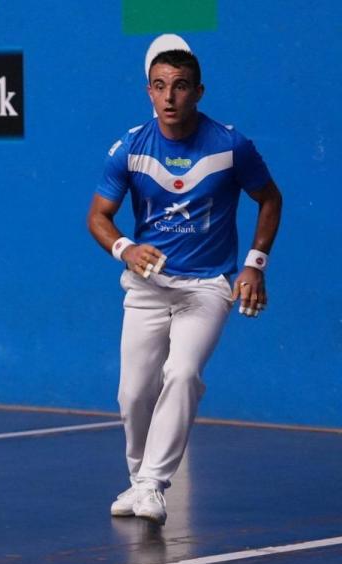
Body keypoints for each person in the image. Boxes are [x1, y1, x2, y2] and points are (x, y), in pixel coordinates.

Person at [87, 49, 282, 525]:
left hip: (208, 286)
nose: (169, 96)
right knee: (132, 393)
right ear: (148, 90)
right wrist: (126, 250)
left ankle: (153, 484)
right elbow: (98, 217)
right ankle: (139, 481)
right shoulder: (130, 149)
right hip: (147, 285)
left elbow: (269, 197)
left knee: (183, 372)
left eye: (179, 86)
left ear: (198, 91)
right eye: (159, 85)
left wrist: (254, 265)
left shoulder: (231, 146)